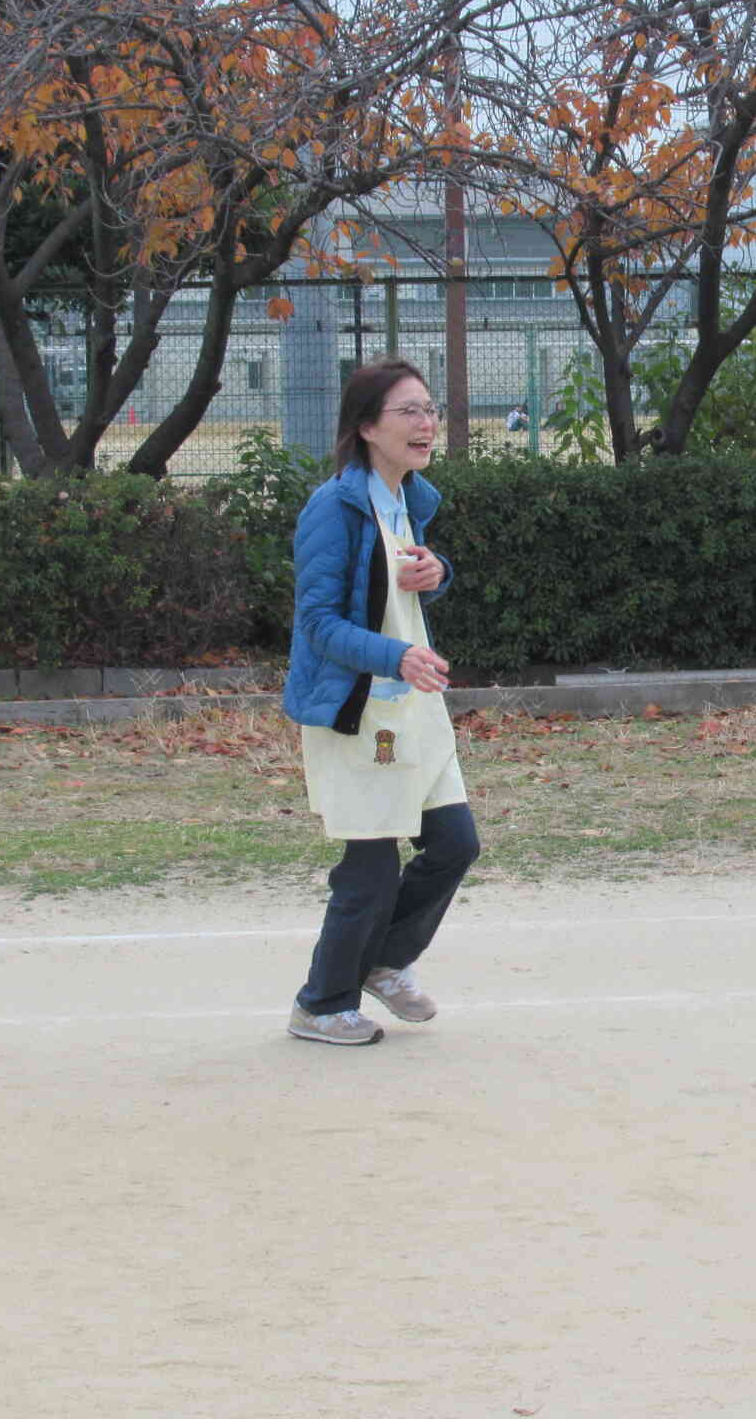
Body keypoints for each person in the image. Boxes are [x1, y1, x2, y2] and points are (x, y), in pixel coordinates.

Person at [281, 359, 481, 1046]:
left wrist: (437, 573)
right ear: (367, 427)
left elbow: (403, 592)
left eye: (431, 410)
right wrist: (395, 657)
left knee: (455, 842)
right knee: (369, 868)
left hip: (412, 708)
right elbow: (319, 624)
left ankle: (387, 960)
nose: (427, 424)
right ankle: (321, 1003)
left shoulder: (411, 500)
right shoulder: (332, 508)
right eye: (409, 412)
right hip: (355, 712)